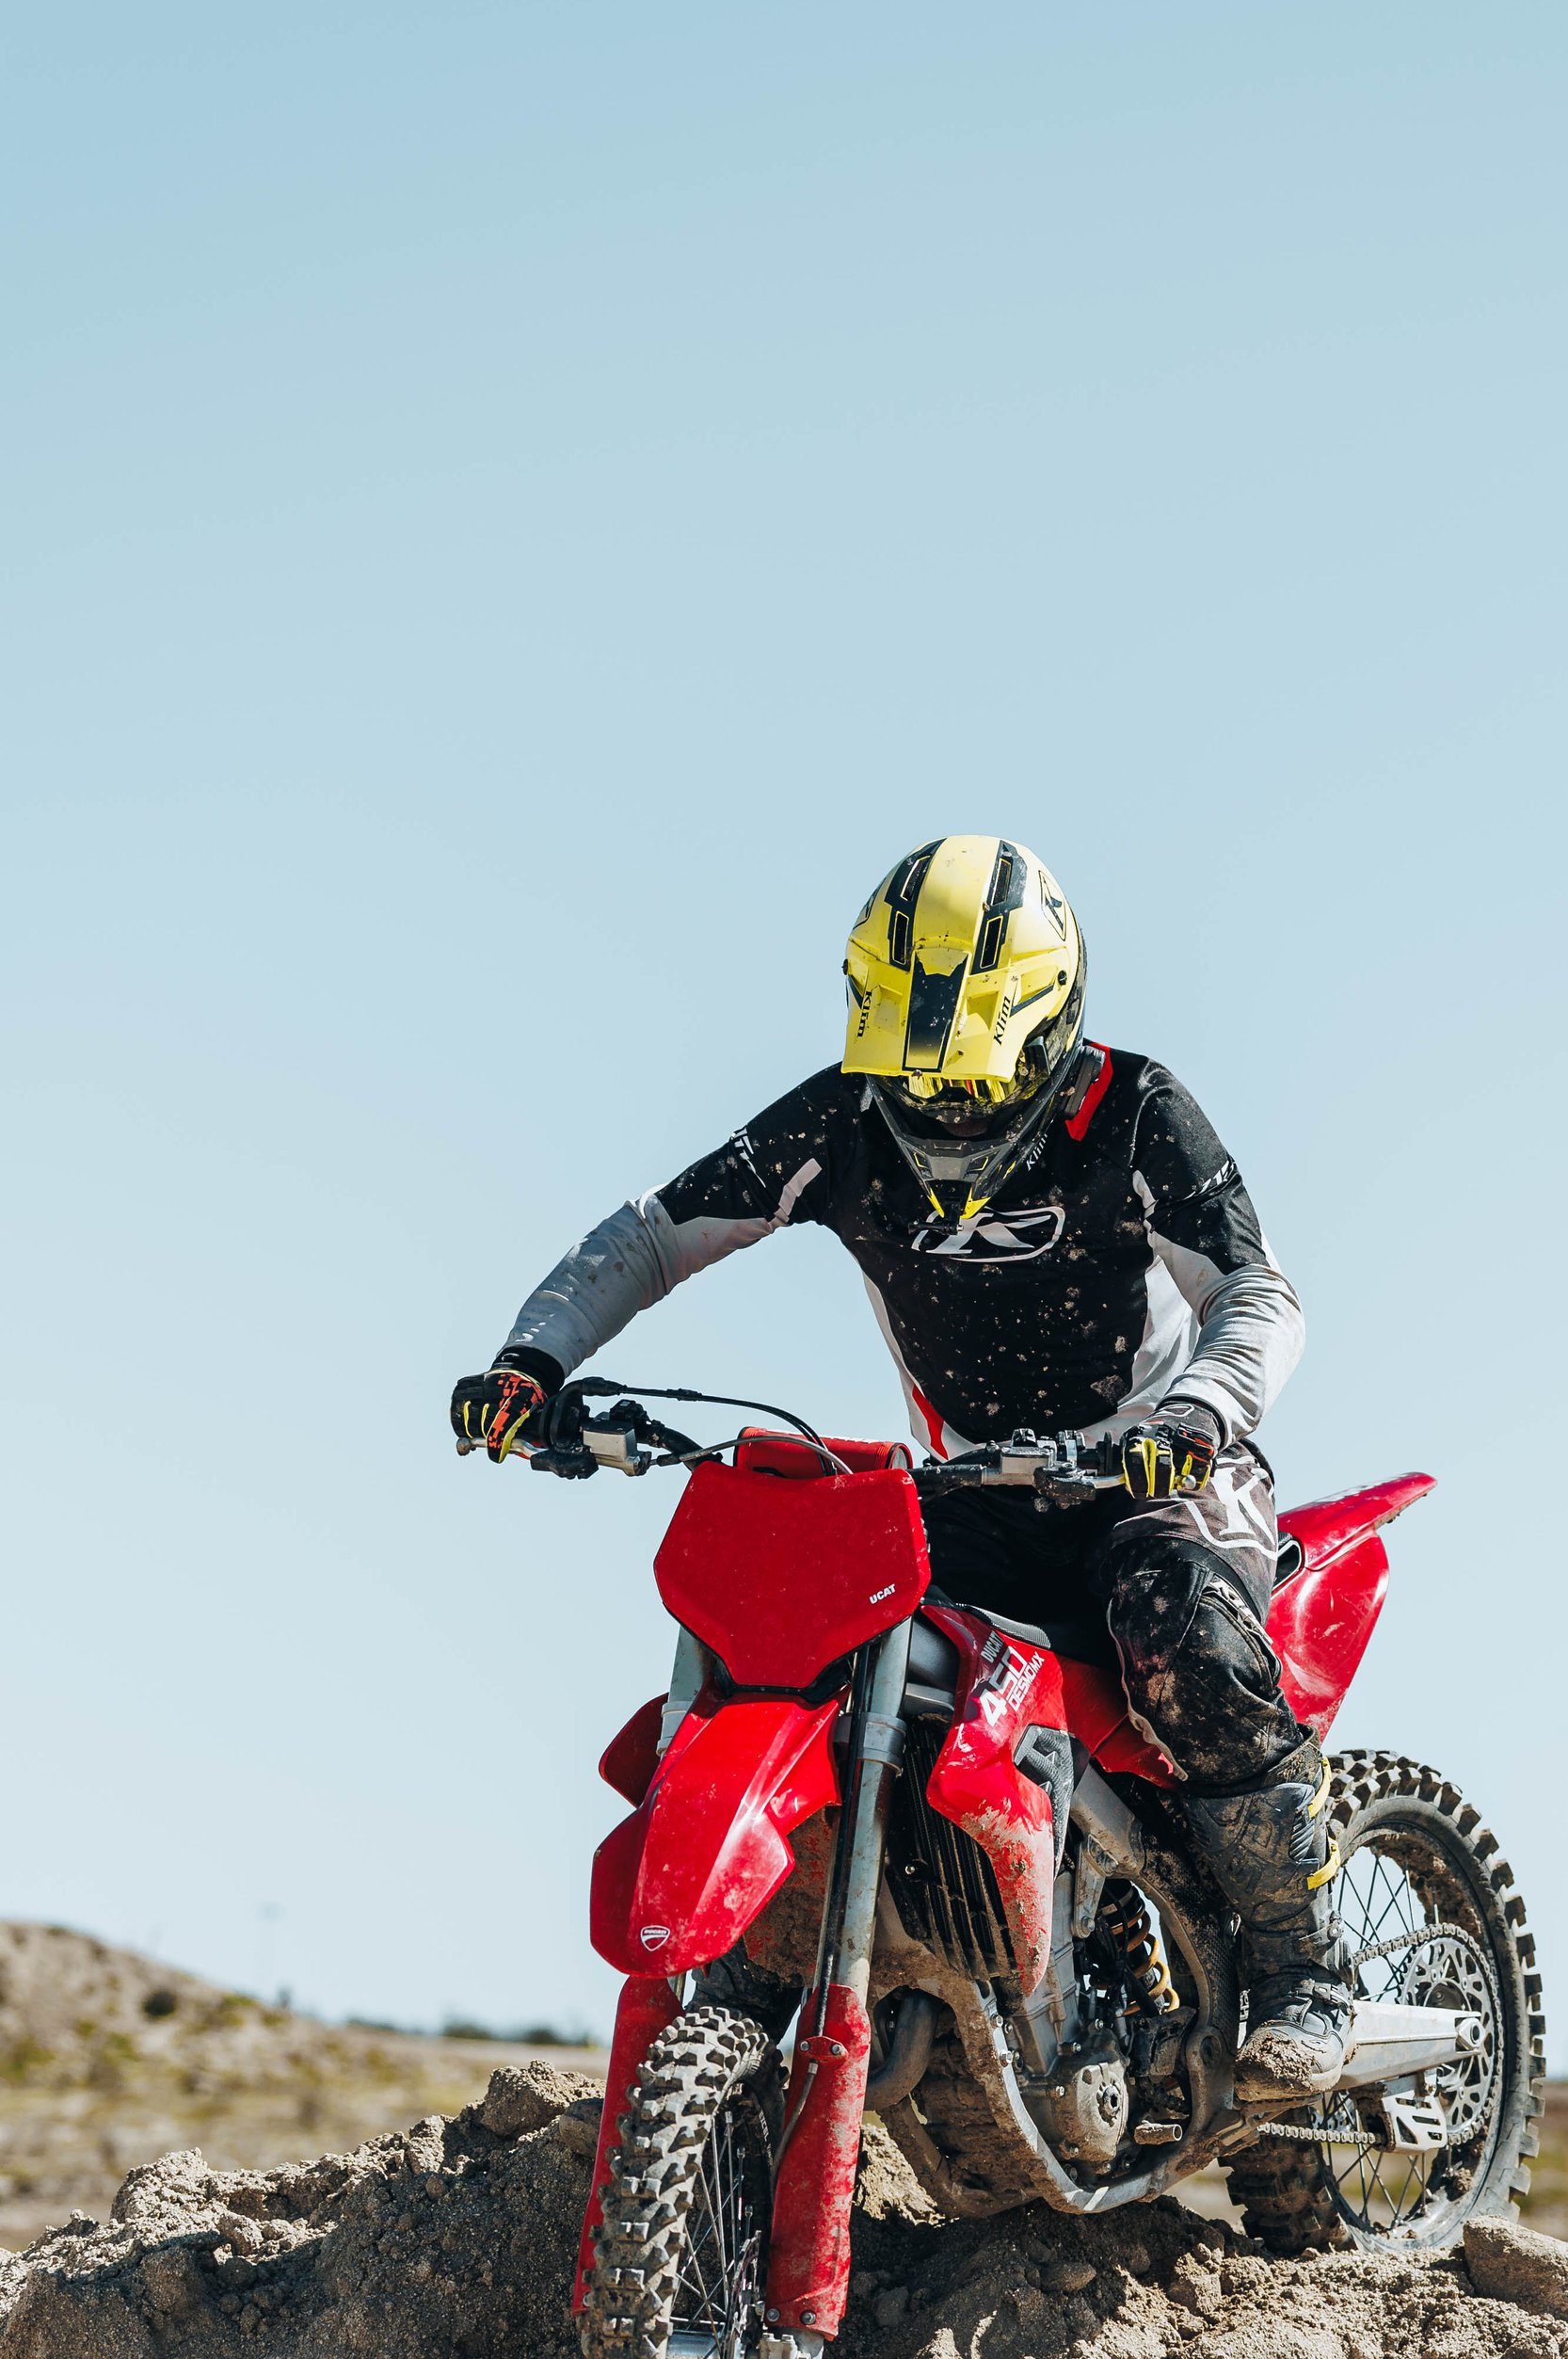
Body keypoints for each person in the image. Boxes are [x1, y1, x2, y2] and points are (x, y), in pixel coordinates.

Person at [450, 833, 1350, 2094]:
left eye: (969, 1083)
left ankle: (1304, 1965)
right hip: (978, 1484)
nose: (937, 1109)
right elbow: (657, 1235)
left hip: (1164, 1475)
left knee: (1173, 1620)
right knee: (822, 1624)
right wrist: (533, 1360)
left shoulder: (1134, 1109)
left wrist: (1196, 1413)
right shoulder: (846, 1120)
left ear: (1044, 1033)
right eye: (912, 1077)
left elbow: (1260, 1291)